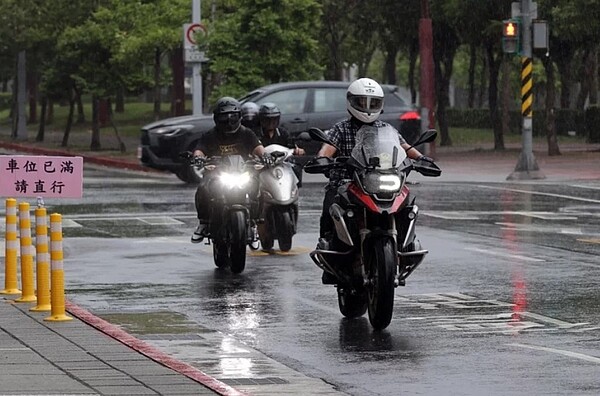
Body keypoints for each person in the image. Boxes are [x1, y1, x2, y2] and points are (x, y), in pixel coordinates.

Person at [315, 77, 434, 249]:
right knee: (331, 204)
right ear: (351, 102)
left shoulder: (386, 129)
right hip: (347, 183)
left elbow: (404, 147)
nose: (367, 107)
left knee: (406, 201)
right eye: (362, 102)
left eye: (373, 103)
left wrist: (422, 159)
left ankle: (405, 245)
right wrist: (322, 159)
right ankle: (329, 246)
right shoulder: (340, 128)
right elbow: (327, 148)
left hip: (378, 180)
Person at [191, 97, 272, 243]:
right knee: (203, 188)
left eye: (232, 117)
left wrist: (265, 156)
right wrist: (198, 158)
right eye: (224, 118)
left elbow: (258, 148)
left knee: (258, 187)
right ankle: (203, 223)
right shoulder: (210, 135)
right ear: (217, 119)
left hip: (242, 172)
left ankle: (253, 223)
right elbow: (200, 149)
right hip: (217, 173)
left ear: (239, 117)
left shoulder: (246, 133)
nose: (229, 122)